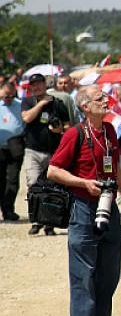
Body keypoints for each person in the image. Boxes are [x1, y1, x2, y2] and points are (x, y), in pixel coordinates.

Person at [47, 85, 121, 316]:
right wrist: (83, 183)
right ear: (85, 107)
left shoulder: (108, 131)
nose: (106, 100)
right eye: (100, 98)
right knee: (83, 270)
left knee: (109, 269)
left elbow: (115, 167)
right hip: (83, 207)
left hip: (109, 206)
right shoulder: (74, 134)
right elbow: (53, 171)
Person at [22, 73, 69, 235]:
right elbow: (27, 118)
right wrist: (41, 104)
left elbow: (67, 125)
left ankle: (49, 222)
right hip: (33, 151)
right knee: (33, 183)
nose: (36, 87)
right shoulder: (27, 101)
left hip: (54, 152)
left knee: (52, 187)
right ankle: (36, 220)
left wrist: (60, 130)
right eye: (33, 85)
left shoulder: (57, 103)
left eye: (39, 84)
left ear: (45, 84)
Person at [0, 82, 25, 220]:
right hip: (0, 148)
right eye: (5, 96)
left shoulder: (20, 105)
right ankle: (3, 207)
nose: (7, 98)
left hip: (15, 146)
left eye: (10, 96)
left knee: (13, 179)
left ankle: (9, 209)